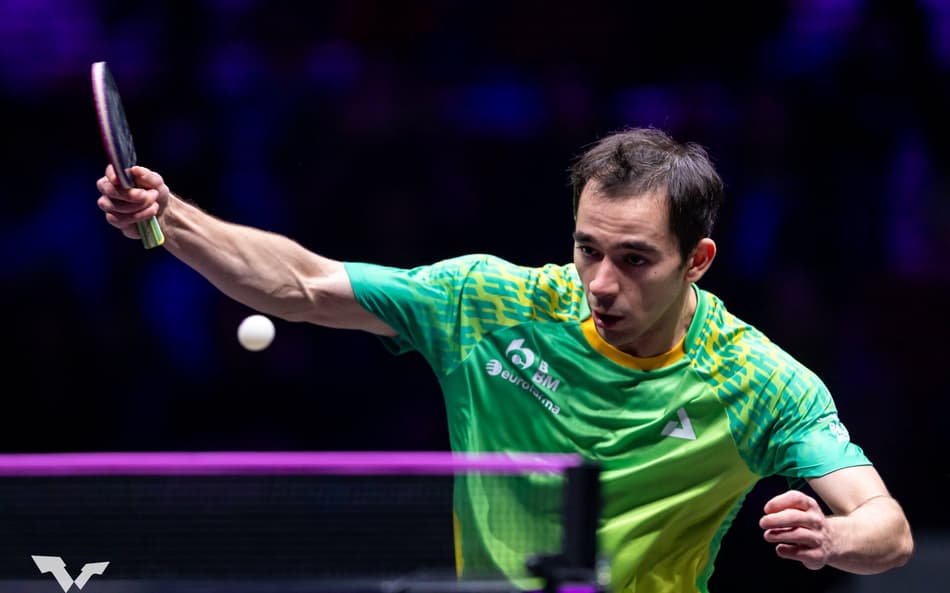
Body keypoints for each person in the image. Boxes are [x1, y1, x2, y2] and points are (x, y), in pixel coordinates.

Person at [95, 126, 913, 593]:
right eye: (587, 248)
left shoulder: (757, 381)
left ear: (697, 260)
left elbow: (890, 528)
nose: (599, 281)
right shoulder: (489, 304)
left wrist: (836, 538)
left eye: (634, 259)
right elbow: (303, 282)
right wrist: (173, 218)